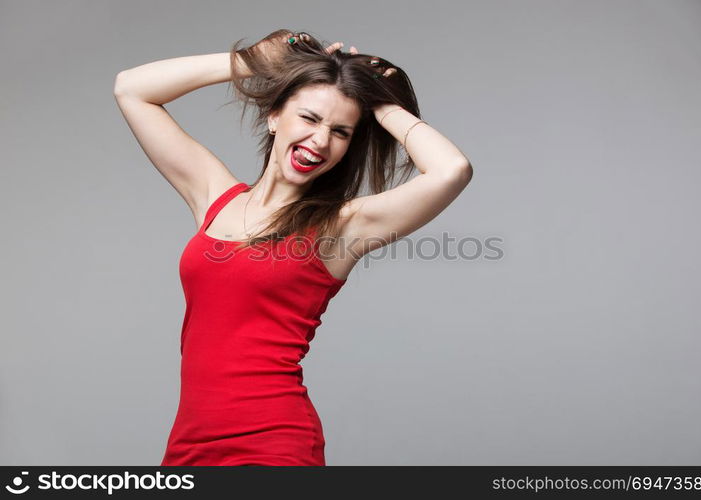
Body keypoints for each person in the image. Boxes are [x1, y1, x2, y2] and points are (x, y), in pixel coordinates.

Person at [113, 29, 473, 466]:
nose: (320, 141)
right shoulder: (215, 196)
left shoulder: (341, 227)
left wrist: (382, 103)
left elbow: (450, 170)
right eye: (309, 118)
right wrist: (250, 61)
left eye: (340, 131)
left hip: (274, 443)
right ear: (273, 116)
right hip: (191, 443)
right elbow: (132, 90)